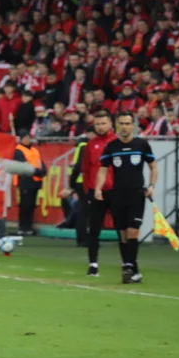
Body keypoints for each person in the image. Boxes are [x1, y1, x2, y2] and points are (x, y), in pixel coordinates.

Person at [95, 112, 156, 284]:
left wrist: (151, 185)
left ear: (133, 125)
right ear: (116, 125)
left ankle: (128, 266)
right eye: (121, 123)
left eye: (128, 123)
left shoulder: (142, 145)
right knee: (122, 234)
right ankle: (132, 269)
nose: (125, 126)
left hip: (137, 194)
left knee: (133, 231)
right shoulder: (112, 147)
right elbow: (103, 169)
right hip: (117, 194)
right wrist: (98, 188)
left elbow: (153, 166)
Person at [67, 111, 116, 276]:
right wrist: (89, 190)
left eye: (104, 123)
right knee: (94, 228)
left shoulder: (118, 143)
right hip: (96, 193)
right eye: (98, 124)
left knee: (125, 229)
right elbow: (85, 170)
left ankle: (129, 264)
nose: (101, 127)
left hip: (116, 191)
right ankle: (93, 264)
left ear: (111, 124)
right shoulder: (89, 145)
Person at [12, 133, 45, 236]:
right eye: (25, 138)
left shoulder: (34, 150)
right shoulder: (18, 150)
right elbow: (23, 165)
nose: (27, 140)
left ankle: (29, 227)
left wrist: (43, 171)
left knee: (31, 205)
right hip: (25, 180)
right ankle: (23, 227)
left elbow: (40, 162)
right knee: (25, 205)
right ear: (21, 139)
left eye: (29, 138)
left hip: (35, 181)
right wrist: (37, 172)